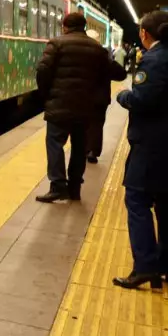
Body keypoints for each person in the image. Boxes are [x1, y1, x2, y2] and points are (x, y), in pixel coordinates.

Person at [36, 12, 123, 203]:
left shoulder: (56, 44)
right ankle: (74, 188)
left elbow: (43, 70)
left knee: (55, 144)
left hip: (59, 105)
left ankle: (58, 186)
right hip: (85, 108)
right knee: (79, 147)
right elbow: (119, 73)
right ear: (84, 27)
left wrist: (47, 94)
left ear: (65, 27)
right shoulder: (97, 49)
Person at [112, 11, 168, 290]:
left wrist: (123, 96)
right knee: (164, 202)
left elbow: (142, 99)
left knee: (137, 199)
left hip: (152, 143)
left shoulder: (154, 61)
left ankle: (146, 266)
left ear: (145, 34)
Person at [85, 31, 128, 164]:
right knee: (97, 124)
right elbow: (121, 74)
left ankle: (83, 149)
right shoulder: (103, 56)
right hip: (99, 98)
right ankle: (93, 151)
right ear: (98, 42)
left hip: (81, 97)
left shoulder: (78, 55)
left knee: (82, 124)